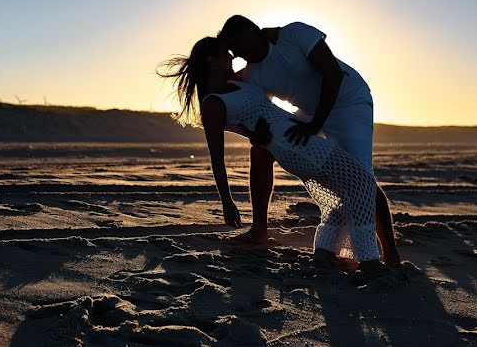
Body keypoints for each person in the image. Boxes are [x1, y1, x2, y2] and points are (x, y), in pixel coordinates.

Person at [159, 36, 389, 277]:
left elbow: (256, 100)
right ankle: (369, 262)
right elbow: (217, 158)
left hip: (297, 134)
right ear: (212, 62)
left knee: (345, 190)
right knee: (361, 182)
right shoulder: (212, 104)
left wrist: (251, 132)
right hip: (289, 145)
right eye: (225, 54)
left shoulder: (237, 83)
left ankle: (324, 251)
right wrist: (227, 202)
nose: (232, 57)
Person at [217, 15, 401, 267]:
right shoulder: (252, 76)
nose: (238, 53)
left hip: (348, 101)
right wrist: (255, 135)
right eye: (232, 50)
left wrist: (314, 126)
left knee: (361, 178)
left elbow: (333, 74)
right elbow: (248, 106)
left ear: (252, 31)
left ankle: (390, 253)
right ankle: (259, 230)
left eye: (237, 44)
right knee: (260, 150)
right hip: (308, 111)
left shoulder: (294, 34)